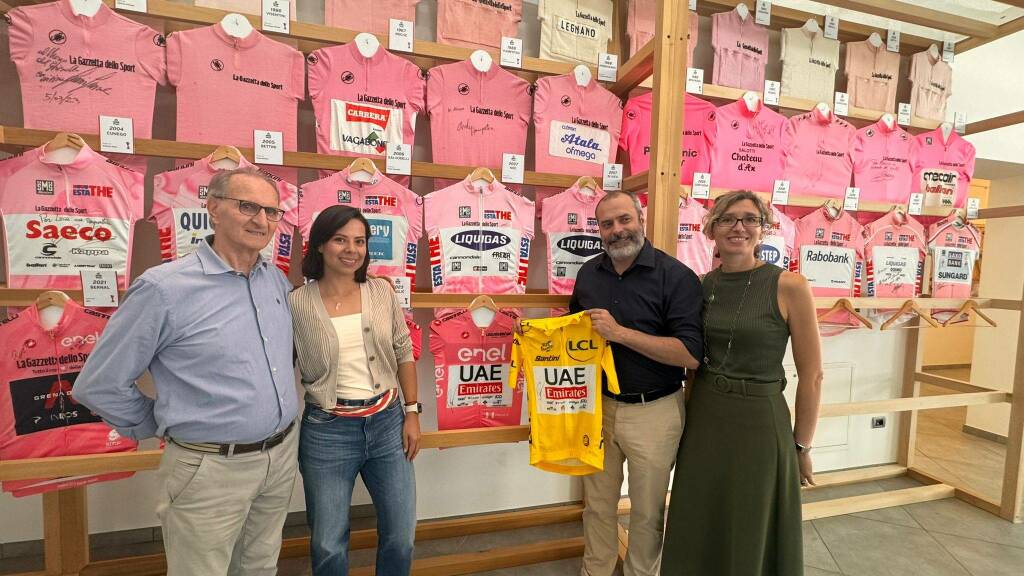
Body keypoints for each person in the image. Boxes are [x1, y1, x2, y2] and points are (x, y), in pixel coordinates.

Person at [74, 167, 299, 576]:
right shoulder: (164, 289)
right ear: (212, 206)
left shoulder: (276, 282)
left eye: (271, 211)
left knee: (260, 567)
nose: (261, 220)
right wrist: (156, 422)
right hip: (209, 469)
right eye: (246, 206)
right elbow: (99, 384)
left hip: (279, 458)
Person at [661, 190, 823, 576]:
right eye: (729, 219)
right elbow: (692, 366)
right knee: (700, 515)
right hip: (706, 418)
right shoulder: (698, 286)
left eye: (750, 219)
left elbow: (813, 374)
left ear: (763, 229)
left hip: (760, 423)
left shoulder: (789, 286)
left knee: (752, 519)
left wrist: (801, 444)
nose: (739, 227)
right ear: (711, 228)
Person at [568, 191, 704, 576]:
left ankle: (641, 573)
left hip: (656, 412)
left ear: (640, 219)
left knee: (647, 512)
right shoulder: (588, 274)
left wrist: (620, 333)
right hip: (599, 408)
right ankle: (596, 571)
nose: (616, 230)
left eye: (624, 220)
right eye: (607, 224)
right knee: (597, 505)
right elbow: (577, 334)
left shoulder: (676, 276)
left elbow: (690, 354)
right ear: (598, 230)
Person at [289, 205, 421, 576]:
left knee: (401, 535)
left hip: (387, 425)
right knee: (328, 542)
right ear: (319, 246)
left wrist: (412, 412)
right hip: (327, 432)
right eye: (340, 240)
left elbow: (403, 351)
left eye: (360, 241)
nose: (351, 249)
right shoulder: (296, 302)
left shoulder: (381, 291)